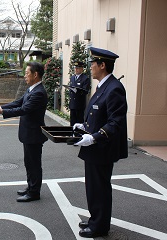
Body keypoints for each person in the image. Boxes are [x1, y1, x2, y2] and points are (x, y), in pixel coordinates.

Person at [73, 47, 128, 238]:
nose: (90, 68)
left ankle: (100, 226)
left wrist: (94, 137)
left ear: (102, 65)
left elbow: (115, 122)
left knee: (100, 188)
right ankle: (95, 218)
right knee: (93, 187)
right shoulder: (103, 86)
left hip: (102, 147)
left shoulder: (114, 88)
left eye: (92, 64)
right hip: (95, 147)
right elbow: (99, 113)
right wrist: (84, 126)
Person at [0, 61, 48, 202]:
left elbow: (24, 109)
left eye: (27, 73)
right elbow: (18, 102)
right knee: (29, 163)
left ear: (35, 75)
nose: (25, 76)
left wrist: (3, 112)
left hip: (34, 135)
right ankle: (31, 187)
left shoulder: (39, 93)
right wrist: (1, 107)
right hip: (28, 133)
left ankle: (34, 192)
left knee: (34, 164)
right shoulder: (31, 89)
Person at [68, 61, 90, 126]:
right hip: (72, 104)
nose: (76, 70)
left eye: (78, 68)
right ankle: (72, 135)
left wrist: (77, 91)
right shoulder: (72, 78)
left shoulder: (85, 79)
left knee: (79, 122)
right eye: (75, 68)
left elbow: (85, 91)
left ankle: (78, 135)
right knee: (72, 122)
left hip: (79, 104)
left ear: (81, 69)